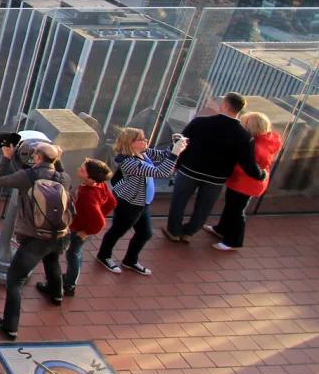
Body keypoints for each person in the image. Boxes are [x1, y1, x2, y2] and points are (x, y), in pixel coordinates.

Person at [0, 141, 71, 340]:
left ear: (36, 158)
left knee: (15, 280)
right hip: (60, 233)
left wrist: (7, 157)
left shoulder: (27, 177)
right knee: (52, 260)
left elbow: (0, 180)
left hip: (35, 238)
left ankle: (10, 326)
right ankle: (56, 293)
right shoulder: (64, 177)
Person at [164, 92, 266, 243]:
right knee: (204, 207)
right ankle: (189, 233)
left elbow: (180, 144)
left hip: (189, 170)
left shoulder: (200, 122)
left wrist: (175, 164)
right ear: (240, 109)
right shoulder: (244, 136)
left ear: (224, 105)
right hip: (216, 178)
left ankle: (174, 231)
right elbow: (248, 164)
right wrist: (261, 174)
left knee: (179, 202)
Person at [95, 127, 184, 276]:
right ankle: (103, 256)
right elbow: (160, 172)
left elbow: (163, 155)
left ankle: (130, 260)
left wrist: (174, 146)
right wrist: (175, 153)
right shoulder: (128, 162)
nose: (146, 141)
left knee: (145, 233)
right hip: (129, 203)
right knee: (118, 230)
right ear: (131, 143)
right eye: (141, 139)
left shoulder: (143, 152)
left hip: (142, 203)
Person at [205, 112, 280, 251]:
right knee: (232, 207)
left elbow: (246, 165)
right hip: (247, 182)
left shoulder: (255, 146)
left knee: (236, 211)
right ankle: (222, 229)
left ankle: (233, 241)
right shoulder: (267, 141)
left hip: (244, 183)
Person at [62, 158, 117, 297]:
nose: (79, 170)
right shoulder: (101, 185)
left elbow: (99, 222)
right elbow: (111, 203)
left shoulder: (87, 195)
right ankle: (71, 277)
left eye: (82, 170)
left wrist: (86, 231)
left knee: (72, 255)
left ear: (90, 178)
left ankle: (70, 284)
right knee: (77, 253)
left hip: (78, 229)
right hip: (82, 227)